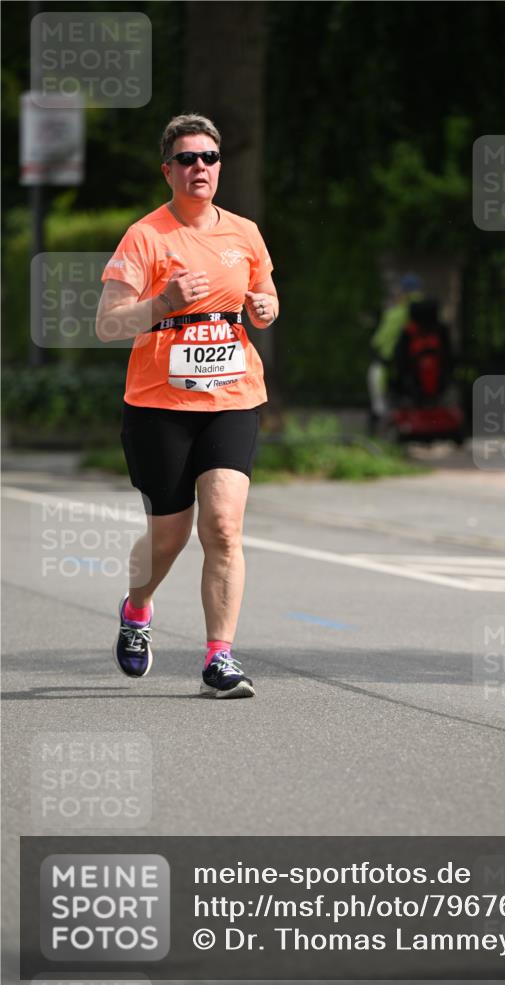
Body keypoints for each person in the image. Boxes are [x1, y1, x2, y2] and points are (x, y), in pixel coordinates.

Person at [95, 113, 278, 699]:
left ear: (220, 167)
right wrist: (163, 302)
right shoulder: (145, 237)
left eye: (210, 158)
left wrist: (266, 307)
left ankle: (219, 659)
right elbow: (106, 324)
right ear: (168, 170)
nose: (201, 167)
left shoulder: (245, 233)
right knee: (169, 536)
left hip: (232, 396)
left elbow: (266, 292)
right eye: (188, 159)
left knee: (223, 526)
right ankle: (138, 607)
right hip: (158, 405)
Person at [367, 273, 422, 432]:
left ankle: (379, 414)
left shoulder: (396, 313)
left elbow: (379, 340)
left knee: (375, 375)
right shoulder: (429, 311)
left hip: (395, 363)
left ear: (403, 292)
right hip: (422, 364)